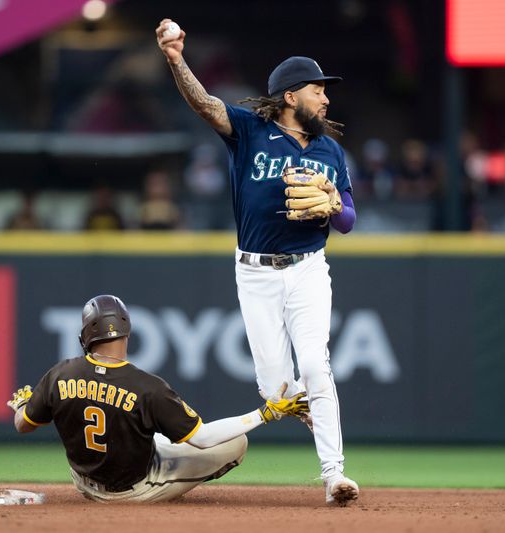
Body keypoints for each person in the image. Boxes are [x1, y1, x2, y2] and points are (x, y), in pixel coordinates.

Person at [157, 19, 359, 505]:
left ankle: (334, 475)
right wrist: (176, 59)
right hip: (255, 272)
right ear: (290, 96)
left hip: (309, 267)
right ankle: (305, 404)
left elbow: (350, 220)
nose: (326, 98)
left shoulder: (331, 149)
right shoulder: (250, 131)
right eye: (317, 90)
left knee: (316, 362)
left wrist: (335, 205)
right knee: (278, 391)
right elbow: (205, 104)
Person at [7, 294, 308, 503]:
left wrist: (23, 406)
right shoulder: (147, 387)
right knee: (236, 443)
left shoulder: (60, 373)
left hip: (82, 480)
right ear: (126, 331)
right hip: (130, 490)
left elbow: (23, 425)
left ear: (85, 336)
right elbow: (202, 439)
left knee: (154, 436)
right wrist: (265, 414)